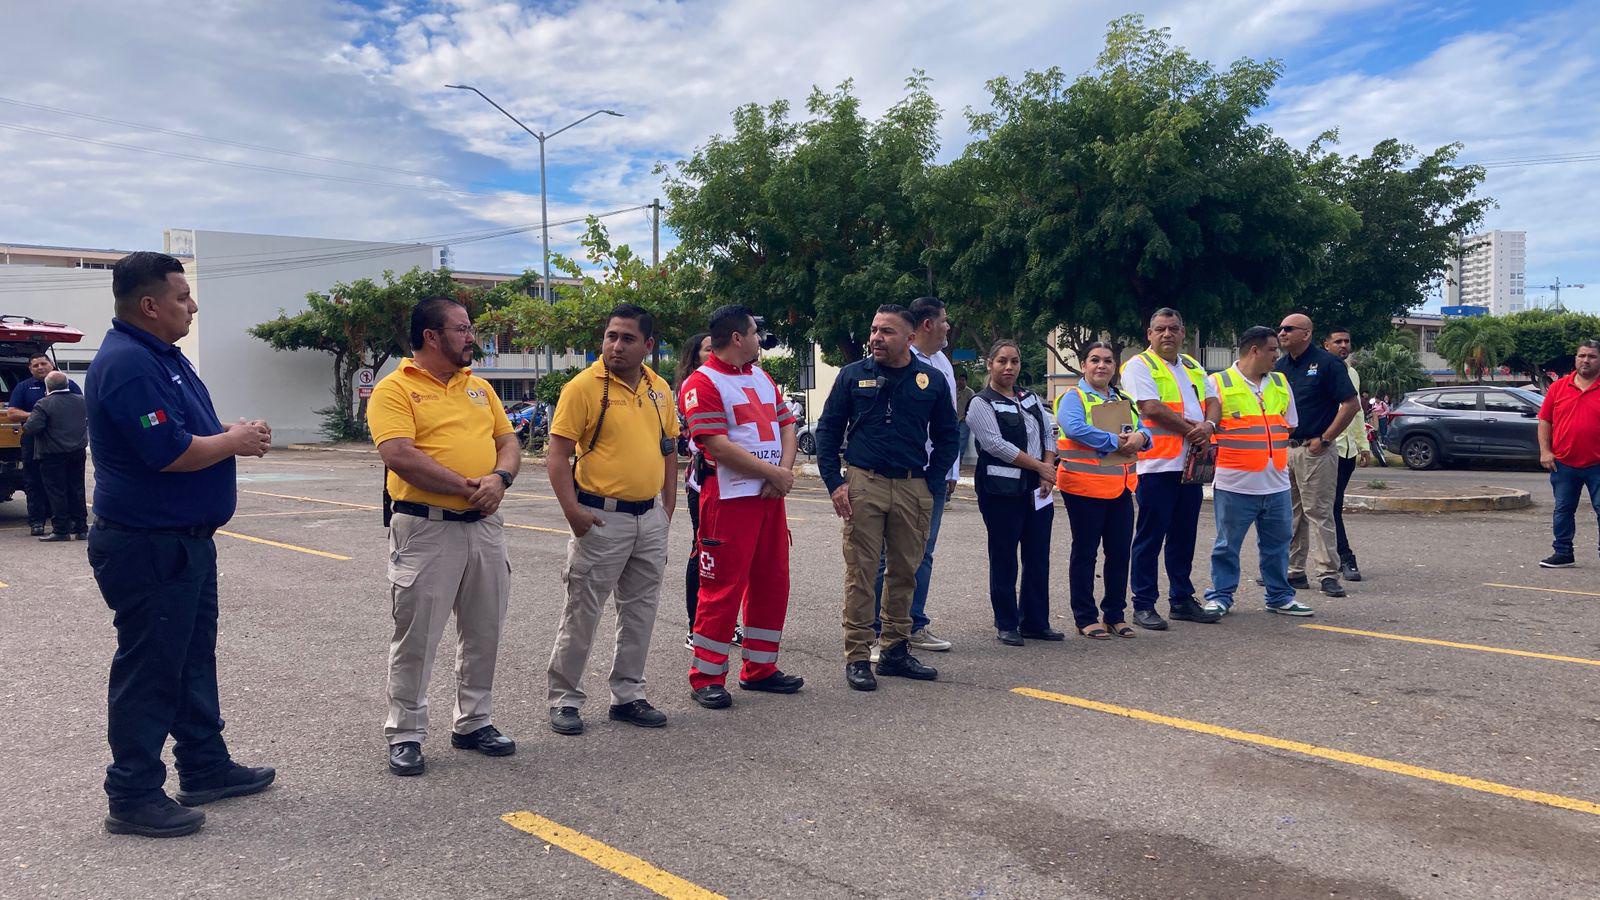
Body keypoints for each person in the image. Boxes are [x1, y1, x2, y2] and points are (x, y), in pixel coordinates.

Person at [86, 251, 275, 838]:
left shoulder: (160, 358)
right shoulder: (128, 365)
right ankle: (134, 792)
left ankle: (205, 765)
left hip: (183, 542)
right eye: (181, 297)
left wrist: (230, 433)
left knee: (191, 657)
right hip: (148, 544)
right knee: (151, 668)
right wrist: (234, 441)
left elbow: (189, 432)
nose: (192, 306)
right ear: (149, 305)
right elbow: (168, 452)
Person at [368, 297, 521, 778]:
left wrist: (500, 479)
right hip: (426, 528)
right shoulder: (395, 389)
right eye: (462, 329)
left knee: (483, 630)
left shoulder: (480, 389)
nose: (471, 336)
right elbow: (398, 454)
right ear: (431, 336)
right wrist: (467, 487)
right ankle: (406, 733)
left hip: (484, 527)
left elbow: (508, 441)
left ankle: (474, 723)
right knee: (417, 636)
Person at [546, 304, 677, 735]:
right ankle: (564, 699)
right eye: (611, 336)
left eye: (627, 338)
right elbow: (558, 455)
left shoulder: (660, 389)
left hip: (649, 519)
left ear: (648, 345)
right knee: (582, 610)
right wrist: (573, 513)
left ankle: (628, 695)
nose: (616, 346)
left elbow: (669, 450)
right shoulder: (583, 388)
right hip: (601, 519)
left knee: (640, 610)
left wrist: (667, 509)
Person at [815, 304, 960, 691]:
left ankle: (896, 649)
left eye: (887, 332)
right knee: (861, 573)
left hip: (914, 487)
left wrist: (932, 480)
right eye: (875, 329)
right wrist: (835, 483)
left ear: (910, 339)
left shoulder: (930, 379)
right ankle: (859, 656)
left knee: (905, 571)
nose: (877, 337)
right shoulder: (852, 376)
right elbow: (828, 431)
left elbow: (949, 435)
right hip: (865, 483)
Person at [680, 305, 802, 708]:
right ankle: (707, 676)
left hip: (768, 497)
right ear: (737, 338)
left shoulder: (760, 377)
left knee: (772, 582)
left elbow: (787, 424)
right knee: (721, 589)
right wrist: (774, 474)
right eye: (754, 332)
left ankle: (760, 669)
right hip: (729, 502)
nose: (758, 339)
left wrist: (780, 473)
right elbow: (714, 443)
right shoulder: (702, 382)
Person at [1121, 308, 1222, 629]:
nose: (1167, 334)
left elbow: (1214, 399)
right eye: (1160, 329)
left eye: (1174, 329)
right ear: (1149, 334)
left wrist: (1208, 424)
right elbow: (1149, 407)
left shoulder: (1192, 365)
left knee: (1183, 536)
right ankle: (1144, 603)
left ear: (1183, 333)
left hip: (1191, 466)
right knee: (1150, 537)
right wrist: (1191, 430)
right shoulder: (1139, 366)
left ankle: (1181, 599)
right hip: (1157, 466)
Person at [1204, 327, 1314, 617]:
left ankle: (1279, 596)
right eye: (1272, 350)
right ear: (1254, 350)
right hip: (1234, 482)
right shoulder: (1218, 383)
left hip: (1276, 482)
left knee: (1278, 544)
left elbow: (1289, 424)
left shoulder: (1279, 382)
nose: (1277, 356)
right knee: (1227, 545)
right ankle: (1220, 596)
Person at [871, 296, 958, 654]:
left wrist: (948, 472)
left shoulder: (942, 363)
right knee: (886, 557)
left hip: (931, 476)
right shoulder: (891, 362)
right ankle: (879, 629)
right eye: (943, 320)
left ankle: (914, 623)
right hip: (896, 475)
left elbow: (947, 426)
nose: (947, 326)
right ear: (925, 325)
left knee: (923, 553)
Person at [966, 340, 1059, 645]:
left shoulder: (1030, 397)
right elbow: (995, 445)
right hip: (1000, 492)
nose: (1009, 367)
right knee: (1004, 557)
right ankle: (1006, 623)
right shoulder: (981, 402)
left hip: (1037, 489)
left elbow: (1048, 432)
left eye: (1014, 362)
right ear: (990, 364)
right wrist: (1039, 467)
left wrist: (1047, 468)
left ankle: (1035, 622)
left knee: (1037, 556)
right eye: (1002, 361)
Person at [1055, 342, 1148, 640]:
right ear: (1084, 365)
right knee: (1085, 553)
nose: (1101, 365)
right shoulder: (1074, 397)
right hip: (1084, 488)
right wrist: (1116, 442)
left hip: (1121, 487)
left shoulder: (1123, 398)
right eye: (1094, 360)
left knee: (1119, 553)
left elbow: (1145, 430)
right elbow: (1074, 428)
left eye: (1107, 361)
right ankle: (1085, 617)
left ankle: (1115, 615)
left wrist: (1141, 437)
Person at [1274, 312, 1359, 598]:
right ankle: (1294, 571)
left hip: (1315, 450)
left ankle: (1328, 574)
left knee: (1319, 512)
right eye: (1281, 329)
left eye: (1289, 329)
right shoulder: (1280, 366)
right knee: (1291, 513)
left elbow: (1351, 404)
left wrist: (1324, 439)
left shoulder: (1327, 364)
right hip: (1286, 449)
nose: (1282, 333)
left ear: (1306, 334)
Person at [1537, 340, 1600, 568]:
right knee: (1563, 509)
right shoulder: (1558, 387)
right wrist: (1545, 451)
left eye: (1592, 356)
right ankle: (1563, 553)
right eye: (1582, 355)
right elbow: (1545, 421)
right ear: (1576, 359)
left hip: (1597, 464)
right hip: (1564, 463)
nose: (1586, 360)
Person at [7, 352, 82, 536]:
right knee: (33, 481)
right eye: (35, 366)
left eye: (43, 364)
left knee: (70, 483)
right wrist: (39, 415)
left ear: (52, 365)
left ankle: (74, 522)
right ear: (30, 369)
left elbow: (80, 408)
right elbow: (12, 413)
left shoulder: (67, 383)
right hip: (33, 438)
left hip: (63, 441)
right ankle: (37, 521)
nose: (40, 367)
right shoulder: (23, 387)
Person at [674, 330, 714, 649]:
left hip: (731, 483)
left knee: (727, 555)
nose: (714, 353)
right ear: (694, 356)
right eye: (708, 349)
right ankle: (694, 625)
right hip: (703, 482)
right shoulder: (691, 389)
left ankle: (725, 624)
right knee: (702, 550)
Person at [1325, 328, 1371, 582]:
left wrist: (1363, 445)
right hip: (1322, 447)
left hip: (1346, 451)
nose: (1343, 345)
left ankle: (1343, 558)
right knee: (1303, 509)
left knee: (1333, 506)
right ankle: (1343, 557)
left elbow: (1356, 412)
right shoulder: (1319, 369)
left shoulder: (1351, 372)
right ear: (1326, 345)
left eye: (1346, 341)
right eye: (1337, 341)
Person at [23, 371, 89, 541]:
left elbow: (32, 428)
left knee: (57, 492)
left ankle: (61, 530)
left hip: (52, 454)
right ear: (67, 384)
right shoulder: (81, 401)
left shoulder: (44, 403)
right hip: (77, 452)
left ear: (48, 387)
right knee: (77, 489)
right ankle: (81, 528)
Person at [956, 380, 976, 464]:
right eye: (959, 380)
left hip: (964, 419)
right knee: (955, 439)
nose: (960, 382)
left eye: (962, 380)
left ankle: (959, 460)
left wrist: (967, 416)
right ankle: (955, 460)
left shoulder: (970, 392)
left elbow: (973, 405)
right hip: (956, 418)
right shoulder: (955, 390)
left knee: (963, 439)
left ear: (966, 381)